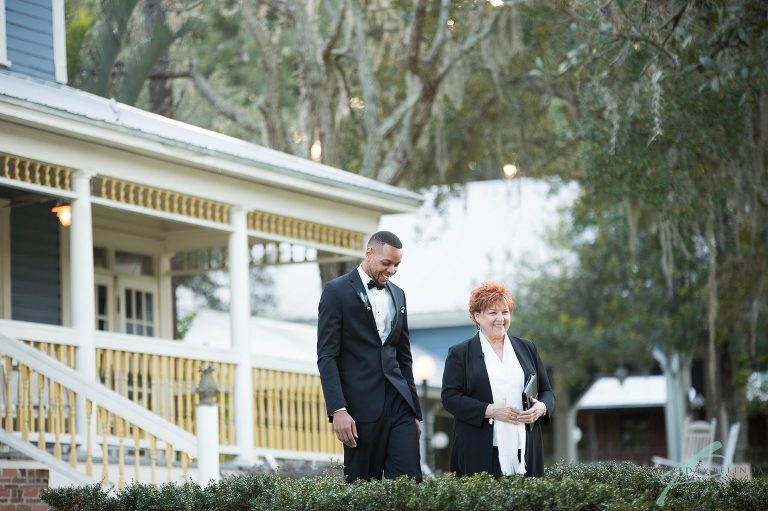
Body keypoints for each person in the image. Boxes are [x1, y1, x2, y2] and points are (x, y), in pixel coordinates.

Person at [317, 231, 422, 482]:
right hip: (359, 409)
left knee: (409, 486)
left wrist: (414, 411)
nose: (393, 270)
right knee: (363, 489)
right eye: (387, 263)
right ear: (369, 253)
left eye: (397, 264)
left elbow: (403, 356)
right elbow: (327, 356)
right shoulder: (336, 291)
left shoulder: (399, 294)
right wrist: (338, 409)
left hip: (399, 404)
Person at [441, 281, 554, 477]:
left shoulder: (527, 348)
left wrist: (541, 408)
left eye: (505, 312)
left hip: (526, 449)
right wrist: (490, 410)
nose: (500, 319)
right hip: (479, 450)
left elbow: (547, 392)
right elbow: (450, 398)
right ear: (477, 316)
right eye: (493, 313)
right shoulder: (460, 353)